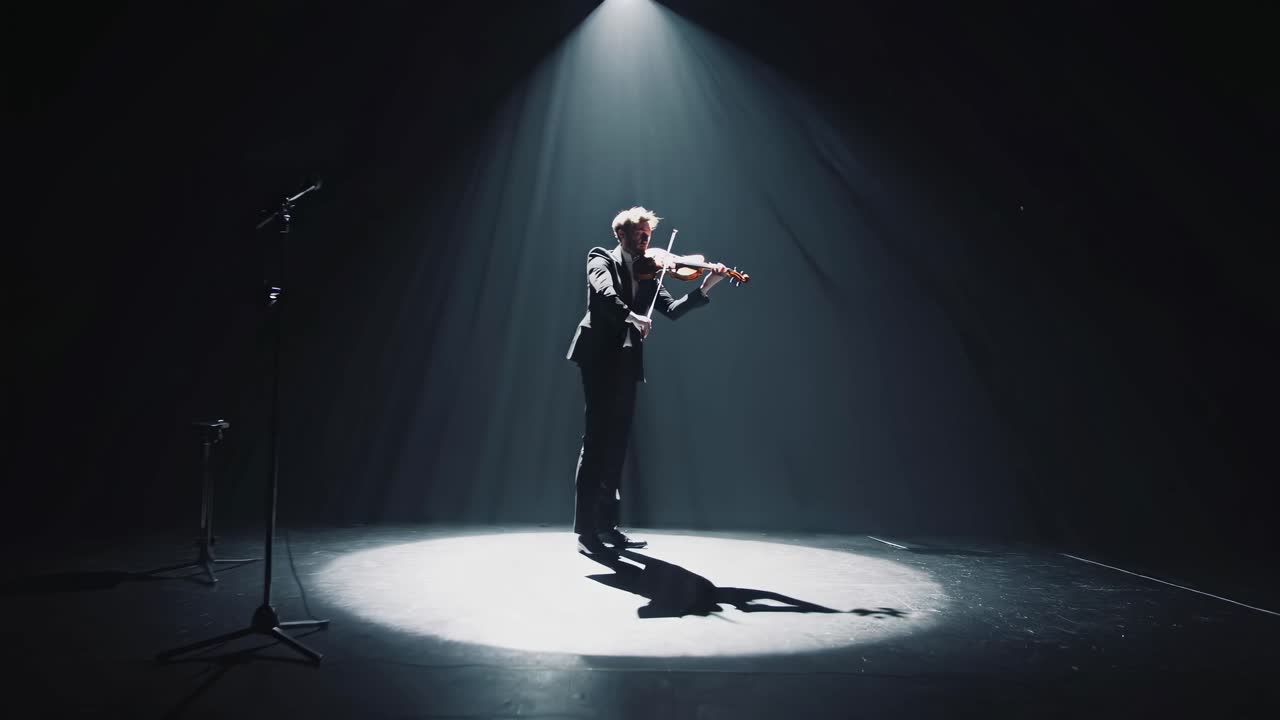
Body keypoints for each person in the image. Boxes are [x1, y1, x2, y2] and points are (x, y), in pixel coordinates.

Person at [566, 206, 730, 556]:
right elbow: (604, 295)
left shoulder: (650, 272)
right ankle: (586, 532)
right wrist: (633, 316)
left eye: (649, 235)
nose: (646, 240)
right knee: (596, 441)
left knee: (618, 444)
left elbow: (673, 310)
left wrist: (706, 285)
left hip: (627, 361)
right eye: (640, 234)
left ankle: (607, 526)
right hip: (598, 357)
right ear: (621, 234)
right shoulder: (601, 258)